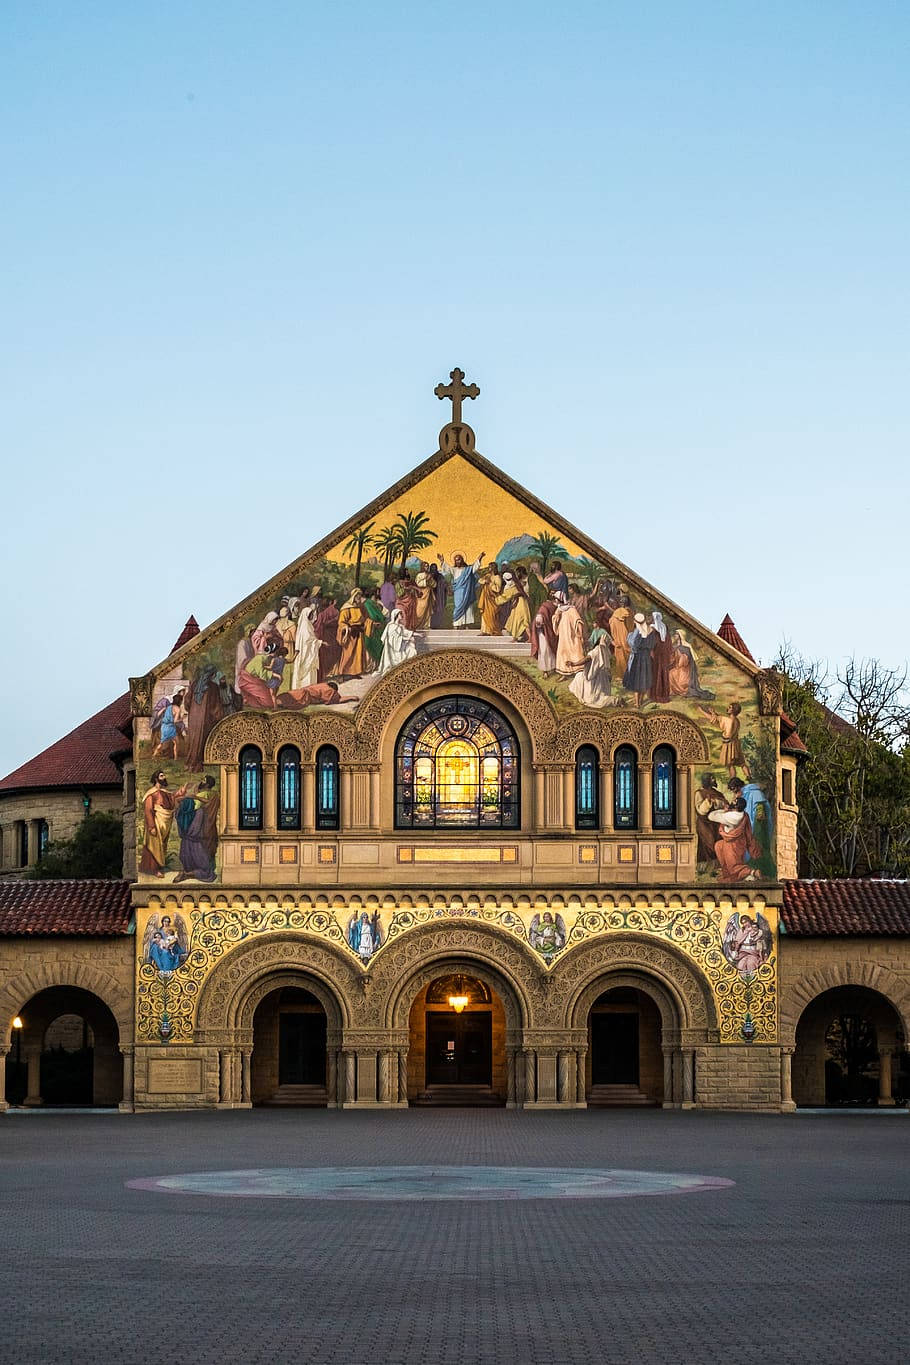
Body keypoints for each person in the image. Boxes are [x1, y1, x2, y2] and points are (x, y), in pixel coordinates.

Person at [184, 666, 236, 771]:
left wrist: (192, 711)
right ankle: (197, 764)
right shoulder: (213, 687)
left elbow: (187, 701)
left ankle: (189, 763)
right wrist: (219, 717)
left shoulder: (195, 684)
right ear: (212, 675)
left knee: (193, 739)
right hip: (205, 718)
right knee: (202, 738)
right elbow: (216, 705)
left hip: (193, 717)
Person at [139, 771, 186, 877]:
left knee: (161, 845)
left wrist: (180, 793)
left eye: (164, 775)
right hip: (156, 823)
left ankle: (159, 867)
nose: (164, 777)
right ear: (156, 778)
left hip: (165, 823)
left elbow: (171, 800)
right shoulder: (151, 794)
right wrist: (151, 827)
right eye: (161, 776)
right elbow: (148, 810)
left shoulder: (165, 792)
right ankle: (153, 869)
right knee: (153, 845)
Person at [174, 776, 219, 883]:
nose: (201, 782)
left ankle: (187, 874)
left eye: (203, 780)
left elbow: (203, 804)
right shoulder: (211, 794)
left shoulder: (207, 795)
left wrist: (190, 798)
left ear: (207, 784)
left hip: (196, 825)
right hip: (198, 826)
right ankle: (188, 872)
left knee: (199, 854)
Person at [709, 798, 761, 880]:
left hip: (732, 844)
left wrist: (724, 810)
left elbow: (711, 816)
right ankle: (727, 872)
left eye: (734, 801)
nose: (732, 800)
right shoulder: (743, 814)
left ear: (736, 806)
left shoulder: (731, 816)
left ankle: (752, 872)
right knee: (718, 845)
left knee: (733, 866)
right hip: (739, 842)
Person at [728, 776, 774, 871]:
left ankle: (759, 865)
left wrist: (759, 815)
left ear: (738, 787)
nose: (735, 793)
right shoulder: (743, 793)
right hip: (749, 822)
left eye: (735, 790)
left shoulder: (754, 792)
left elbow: (760, 805)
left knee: (757, 843)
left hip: (758, 824)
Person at [699, 702, 751, 778]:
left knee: (730, 765)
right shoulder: (736, 720)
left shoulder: (728, 720)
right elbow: (719, 718)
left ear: (733, 710)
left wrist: (701, 711)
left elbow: (715, 719)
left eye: (730, 708)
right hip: (736, 743)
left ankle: (733, 780)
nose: (728, 709)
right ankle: (749, 777)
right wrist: (713, 713)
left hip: (729, 744)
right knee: (742, 763)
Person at [437, 550, 485, 629]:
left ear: (462, 560)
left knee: (468, 607)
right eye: (456, 560)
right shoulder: (454, 569)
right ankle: (457, 623)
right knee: (458, 606)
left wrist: (480, 558)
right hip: (458, 592)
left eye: (459, 559)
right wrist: (442, 561)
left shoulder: (467, 569)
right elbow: (447, 568)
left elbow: (475, 567)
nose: (457, 561)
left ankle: (466, 624)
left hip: (467, 591)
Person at [569, 631, 614, 708]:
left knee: (578, 676)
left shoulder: (596, 650)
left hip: (594, 678)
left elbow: (586, 659)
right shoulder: (606, 651)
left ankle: (612, 700)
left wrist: (574, 664)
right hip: (603, 679)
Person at [336, 588, 373, 677]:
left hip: (359, 632)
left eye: (360, 596)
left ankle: (355, 672)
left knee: (358, 653)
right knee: (348, 653)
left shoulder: (361, 607)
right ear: (353, 596)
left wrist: (371, 623)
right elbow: (341, 622)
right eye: (357, 596)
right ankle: (344, 672)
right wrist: (346, 627)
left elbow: (366, 618)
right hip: (350, 633)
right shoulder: (346, 607)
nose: (359, 598)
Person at [623, 614, 658, 706]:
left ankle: (637, 703)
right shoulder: (651, 631)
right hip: (646, 658)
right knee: (644, 679)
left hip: (637, 658)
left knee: (636, 680)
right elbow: (652, 645)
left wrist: (629, 636)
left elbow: (634, 644)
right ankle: (641, 701)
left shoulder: (637, 631)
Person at [668, 629, 713, 699]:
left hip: (685, 670)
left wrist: (679, 655)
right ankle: (673, 691)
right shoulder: (674, 646)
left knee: (671, 674)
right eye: (675, 634)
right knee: (670, 673)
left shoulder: (686, 647)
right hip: (677, 668)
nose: (675, 635)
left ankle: (681, 690)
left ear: (680, 636)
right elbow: (672, 659)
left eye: (676, 634)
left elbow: (684, 662)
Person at [694, 773, 726, 868]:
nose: (713, 780)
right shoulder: (699, 793)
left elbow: (724, 804)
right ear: (706, 780)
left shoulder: (718, 793)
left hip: (716, 823)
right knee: (707, 843)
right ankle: (704, 867)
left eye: (714, 778)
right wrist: (708, 802)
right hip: (704, 823)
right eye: (712, 778)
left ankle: (717, 866)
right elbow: (700, 810)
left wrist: (717, 802)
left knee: (718, 843)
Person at [554, 593, 587, 674]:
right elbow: (555, 621)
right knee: (562, 653)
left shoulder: (572, 609)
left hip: (572, 636)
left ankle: (577, 671)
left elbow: (578, 621)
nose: (555, 600)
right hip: (563, 637)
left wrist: (581, 635)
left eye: (556, 599)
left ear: (561, 600)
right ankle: (564, 672)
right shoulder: (559, 610)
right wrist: (557, 616)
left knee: (574, 653)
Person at [377, 607, 418, 674]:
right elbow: (394, 639)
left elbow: (406, 632)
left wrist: (418, 634)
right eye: (400, 614)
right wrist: (408, 639)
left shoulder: (400, 626)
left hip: (400, 646)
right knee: (410, 651)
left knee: (412, 650)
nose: (402, 615)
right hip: (394, 650)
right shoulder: (391, 626)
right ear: (396, 616)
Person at [291, 604, 322, 690]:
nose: (312, 616)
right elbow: (307, 641)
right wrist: (319, 642)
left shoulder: (307, 625)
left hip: (309, 654)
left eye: (312, 614)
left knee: (311, 673)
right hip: (306, 655)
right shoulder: (305, 627)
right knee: (307, 675)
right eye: (310, 614)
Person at [151, 690, 186, 760]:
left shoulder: (168, 707)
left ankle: (154, 755)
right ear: (180, 701)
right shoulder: (178, 709)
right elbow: (175, 721)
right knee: (176, 743)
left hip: (164, 727)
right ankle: (175, 758)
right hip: (171, 727)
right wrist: (182, 718)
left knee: (161, 743)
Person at [497, 570, 531, 641]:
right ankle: (515, 638)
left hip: (520, 604)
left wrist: (496, 600)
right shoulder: (516, 584)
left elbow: (506, 597)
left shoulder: (511, 586)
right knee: (516, 620)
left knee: (522, 620)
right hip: (519, 603)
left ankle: (530, 638)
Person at [649, 610, 673, 704]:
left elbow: (667, 640)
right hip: (660, 653)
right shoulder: (663, 627)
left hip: (659, 653)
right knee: (659, 673)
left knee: (659, 673)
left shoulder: (656, 627)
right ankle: (660, 694)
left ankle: (658, 695)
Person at [530, 596, 558, 674]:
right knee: (545, 650)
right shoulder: (546, 606)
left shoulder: (552, 606)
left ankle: (552, 668)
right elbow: (539, 619)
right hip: (544, 633)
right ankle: (545, 671)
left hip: (549, 632)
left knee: (548, 651)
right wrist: (541, 623)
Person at [314, 597, 341, 680]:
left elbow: (318, 627)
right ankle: (333, 672)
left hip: (325, 635)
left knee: (327, 654)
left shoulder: (322, 614)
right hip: (333, 635)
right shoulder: (335, 611)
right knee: (334, 652)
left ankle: (327, 672)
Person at [608, 596, 636, 676]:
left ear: (622, 603)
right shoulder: (630, 612)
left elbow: (611, 623)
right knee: (627, 654)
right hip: (628, 636)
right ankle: (628, 674)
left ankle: (622, 675)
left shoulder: (617, 612)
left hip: (618, 636)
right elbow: (631, 626)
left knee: (620, 654)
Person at [363, 588, 389, 665]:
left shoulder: (374, 603)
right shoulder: (368, 604)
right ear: (372, 595)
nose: (378, 595)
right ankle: (374, 664)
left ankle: (377, 663)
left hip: (378, 628)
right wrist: (374, 623)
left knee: (379, 645)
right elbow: (372, 616)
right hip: (372, 629)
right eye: (376, 594)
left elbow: (382, 614)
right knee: (373, 646)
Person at [477, 560, 503, 635]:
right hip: (486, 599)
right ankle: (484, 631)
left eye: (491, 567)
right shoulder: (488, 575)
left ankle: (492, 630)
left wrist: (490, 583)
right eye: (489, 567)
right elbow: (480, 580)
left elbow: (498, 589)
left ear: (494, 568)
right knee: (485, 614)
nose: (489, 569)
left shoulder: (497, 577)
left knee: (491, 615)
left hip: (492, 599)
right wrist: (485, 581)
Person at [413, 563, 436, 629]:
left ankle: (426, 625)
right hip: (422, 594)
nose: (427, 567)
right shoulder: (419, 575)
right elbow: (418, 583)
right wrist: (427, 580)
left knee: (428, 610)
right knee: (420, 609)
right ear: (422, 567)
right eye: (425, 566)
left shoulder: (429, 575)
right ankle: (417, 624)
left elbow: (434, 584)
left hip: (429, 594)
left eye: (428, 566)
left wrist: (431, 581)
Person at [428, 561, 448, 628]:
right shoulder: (428, 575)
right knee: (431, 610)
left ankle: (437, 624)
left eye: (435, 568)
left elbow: (444, 584)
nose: (434, 570)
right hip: (429, 596)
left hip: (439, 595)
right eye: (432, 568)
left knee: (439, 610)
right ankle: (430, 624)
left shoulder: (440, 576)